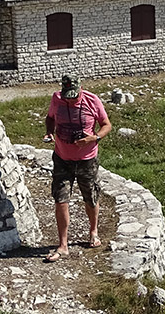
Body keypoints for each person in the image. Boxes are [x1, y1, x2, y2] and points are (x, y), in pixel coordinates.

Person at [43, 74, 112, 262]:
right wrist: (49, 132)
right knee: (61, 198)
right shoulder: (57, 99)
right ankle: (63, 245)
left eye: (74, 95)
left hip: (86, 160)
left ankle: (93, 231)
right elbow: (50, 118)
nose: (70, 99)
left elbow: (107, 125)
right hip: (62, 158)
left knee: (90, 196)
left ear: (80, 89)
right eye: (68, 96)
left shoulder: (92, 100)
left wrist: (95, 138)